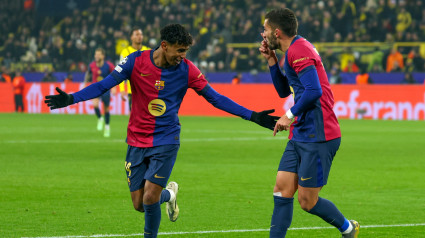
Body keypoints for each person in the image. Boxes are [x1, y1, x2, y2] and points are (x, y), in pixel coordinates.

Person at [45, 23, 278, 238]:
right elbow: (104, 85)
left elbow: (215, 98)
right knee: (139, 204)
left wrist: (253, 116)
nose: (182, 56)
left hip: (166, 139)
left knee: (148, 198)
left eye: (185, 51)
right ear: (164, 46)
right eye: (179, 50)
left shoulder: (187, 70)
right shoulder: (135, 61)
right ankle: (170, 195)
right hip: (136, 139)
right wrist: (72, 98)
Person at [259, 8, 359, 238]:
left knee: (307, 202)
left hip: (319, 134)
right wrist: (272, 61)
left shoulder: (299, 50)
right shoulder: (290, 52)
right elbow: (285, 90)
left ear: (276, 31)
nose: (262, 34)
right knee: (282, 190)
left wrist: (289, 114)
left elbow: (313, 91)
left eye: (265, 30)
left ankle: (348, 229)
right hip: (301, 133)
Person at [84, 47, 115, 137]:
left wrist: (114, 87)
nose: (96, 56)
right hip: (95, 88)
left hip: (105, 89)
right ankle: (100, 119)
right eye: (95, 54)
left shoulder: (108, 65)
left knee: (106, 109)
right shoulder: (92, 65)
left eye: (98, 54)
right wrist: (85, 83)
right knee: (95, 105)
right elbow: (88, 73)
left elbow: (115, 75)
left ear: (103, 56)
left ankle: (107, 126)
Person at [119, 27, 151, 111]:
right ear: (131, 37)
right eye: (137, 34)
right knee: (134, 119)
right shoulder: (126, 52)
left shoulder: (148, 51)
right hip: (133, 91)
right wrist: (122, 89)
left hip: (146, 91)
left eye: (141, 34)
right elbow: (121, 71)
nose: (139, 36)